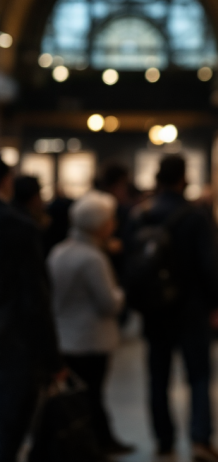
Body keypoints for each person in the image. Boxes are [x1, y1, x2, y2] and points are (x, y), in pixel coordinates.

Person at [125, 155, 218, 462]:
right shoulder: (194, 216)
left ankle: (164, 441)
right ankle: (200, 439)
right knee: (198, 375)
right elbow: (208, 264)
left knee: (157, 377)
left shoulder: (142, 214)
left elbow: (131, 262)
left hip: (154, 308)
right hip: (190, 307)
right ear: (183, 178)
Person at [47, 191, 133, 455]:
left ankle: (95, 441)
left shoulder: (60, 251)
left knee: (82, 396)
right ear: (99, 225)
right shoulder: (92, 258)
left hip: (65, 336)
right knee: (92, 395)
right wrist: (121, 294)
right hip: (90, 337)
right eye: (109, 220)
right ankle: (93, 444)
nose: (114, 225)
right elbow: (108, 303)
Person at [0, 160, 63, 462]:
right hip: (12, 341)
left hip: (12, 337)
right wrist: (52, 358)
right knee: (8, 427)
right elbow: (34, 297)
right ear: (6, 182)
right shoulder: (18, 226)